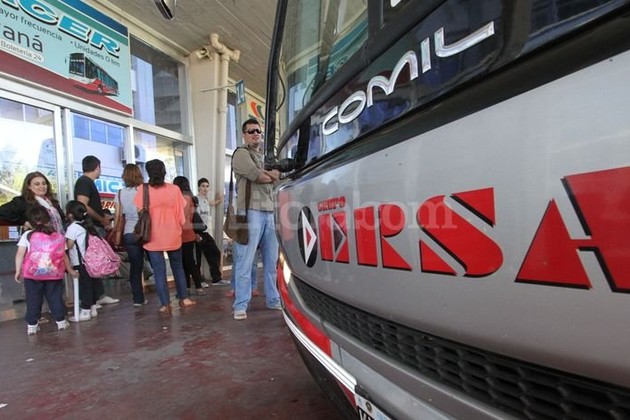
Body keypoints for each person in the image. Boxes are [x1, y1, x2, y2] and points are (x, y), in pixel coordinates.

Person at [231, 118, 282, 320]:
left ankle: (273, 299)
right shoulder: (240, 154)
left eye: (258, 131)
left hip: (270, 212)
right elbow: (257, 176)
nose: (255, 134)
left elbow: (278, 178)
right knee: (245, 262)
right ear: (244, 134)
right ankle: (240, 305)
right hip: (250, 211)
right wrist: (271, 174)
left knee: (272, 262)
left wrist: (269, 174)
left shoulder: (266, 156)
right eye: (251, 131)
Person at [134, 159, 195, 314]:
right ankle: (184, 298)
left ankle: (165, 304)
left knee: (159, 271)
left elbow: (139, 211)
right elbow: (181, 214)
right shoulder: (174, 189)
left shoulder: (143, 189)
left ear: (148, 172)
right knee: (178, 267)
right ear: (164, 171)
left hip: (153, 236)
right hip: (173, 234)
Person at [14, 207, 75, 335]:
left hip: (32, 274)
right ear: (48, 220)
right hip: (53, 274)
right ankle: (61, 322)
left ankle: (32, 325)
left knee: (33, 299)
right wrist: (70, 270)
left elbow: (20, 253)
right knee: (55, 297)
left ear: (30, 222)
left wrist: (18, 270)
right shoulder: (57, 236)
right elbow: (64, 256)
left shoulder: (28, 235)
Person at [74, 155, 119, 306]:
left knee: (96, 261)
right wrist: (101, 219)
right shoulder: (84, 182)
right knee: (92, 261)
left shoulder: (87, 183)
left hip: (94, 226)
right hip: (90, 227)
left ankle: (98, 294)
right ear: (97, 167)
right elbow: (82, 205)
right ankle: (91, 297)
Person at [116, 164, 147, 306]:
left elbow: (118, 216)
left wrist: (117, 233)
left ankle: (138, 299)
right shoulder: (144, 191)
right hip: (145, 231)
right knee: (155, 262)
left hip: (129, 232)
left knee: (135, 267)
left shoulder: (120, 193)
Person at [65, 200, 101, 322]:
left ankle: (85, 311)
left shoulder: (72, 228)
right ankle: (93, 308)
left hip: (79, 262)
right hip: (91, 261)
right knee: (92, 284)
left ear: (70, 215)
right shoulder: (87, 225)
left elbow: (69, 245)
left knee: (84, 286)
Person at [0, 171, 66, 233]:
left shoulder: (52, 202)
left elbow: (63, 219)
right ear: (29, 186)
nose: (42, 186)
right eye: (37, 184)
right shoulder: (22, 201)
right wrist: (23, 222)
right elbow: (2, 212)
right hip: (37, 239)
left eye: (44, 183)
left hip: (59, 238)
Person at [173, 175, 206, 296]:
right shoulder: (190, 198)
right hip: (188, 232)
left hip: (183, 233)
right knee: (188, 261)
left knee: (186, 262)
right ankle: (193, 286)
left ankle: (193, 286)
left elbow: (181, 217)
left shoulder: (184, 198)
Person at [195, 177, 227, 286]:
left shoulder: (205, 200)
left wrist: (220, 199)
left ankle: (216, 279)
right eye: (203, 186)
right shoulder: (195, 199)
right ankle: (199, 282)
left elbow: (211, 203)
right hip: (198, 232)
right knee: (198, 258)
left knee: (214, 253)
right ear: (199, 187)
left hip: (205, 232)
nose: (205, 188)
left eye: (207, 186)